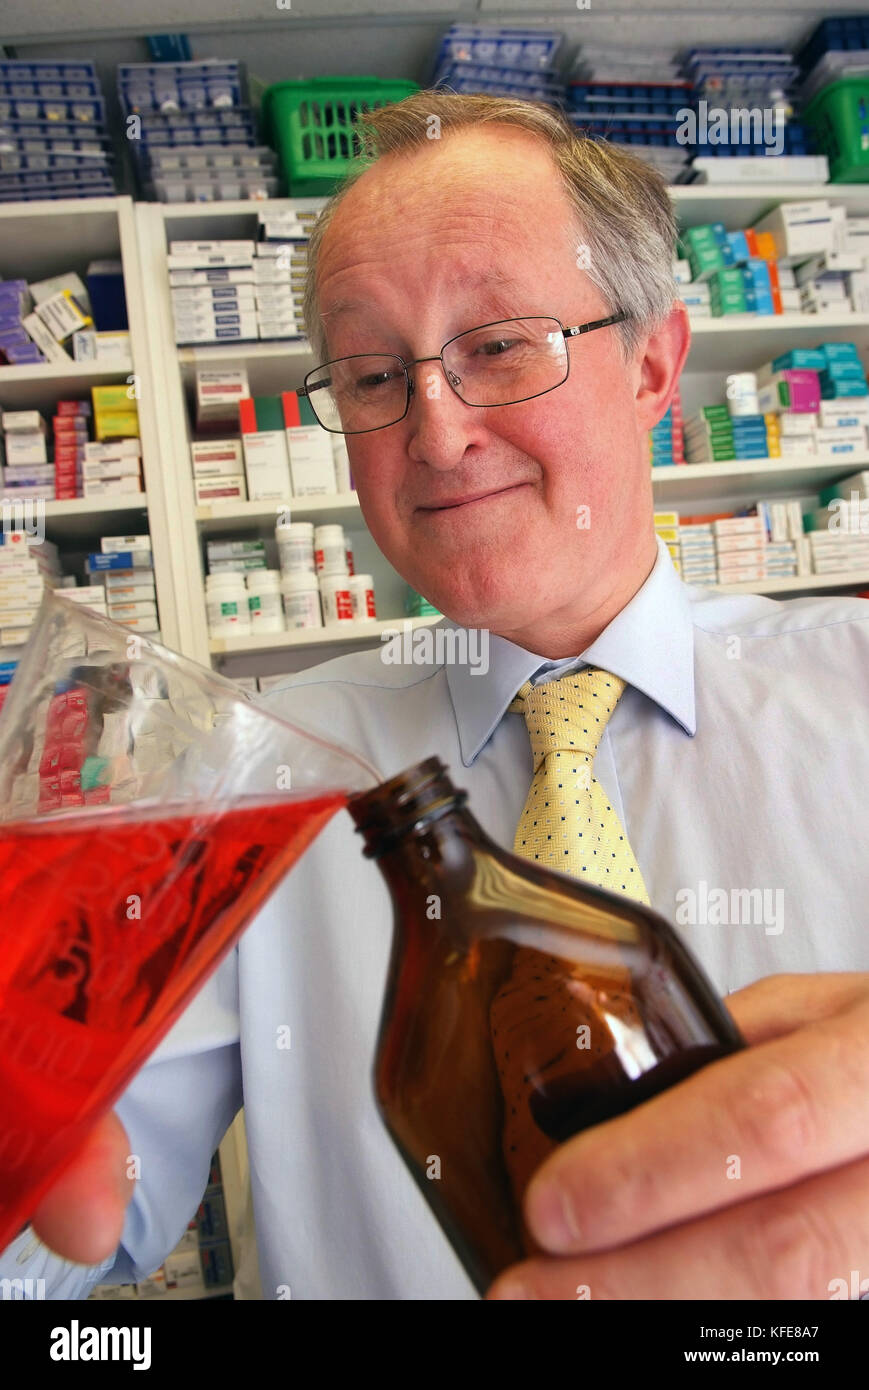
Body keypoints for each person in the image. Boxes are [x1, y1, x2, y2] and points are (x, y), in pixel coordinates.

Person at [4, 91, 869, 1301]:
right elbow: (86, 1208)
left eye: (500, 344)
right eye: (370, 374)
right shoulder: (265, 776)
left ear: (654, 366)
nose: (437, 430)